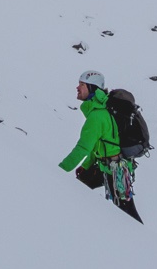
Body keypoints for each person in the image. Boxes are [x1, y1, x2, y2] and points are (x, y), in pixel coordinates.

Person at [59, 70, 141, 222]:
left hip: (114, 170)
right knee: (79, 187)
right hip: (107, 166)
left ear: (92, 89)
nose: (77, 88)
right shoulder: (100, 111)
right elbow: (96, 145)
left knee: (127, 214)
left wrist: (58, 171)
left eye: (82, 85)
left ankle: (142, 242)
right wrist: (86, 166)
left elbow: (82, 148)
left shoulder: (97, 116)